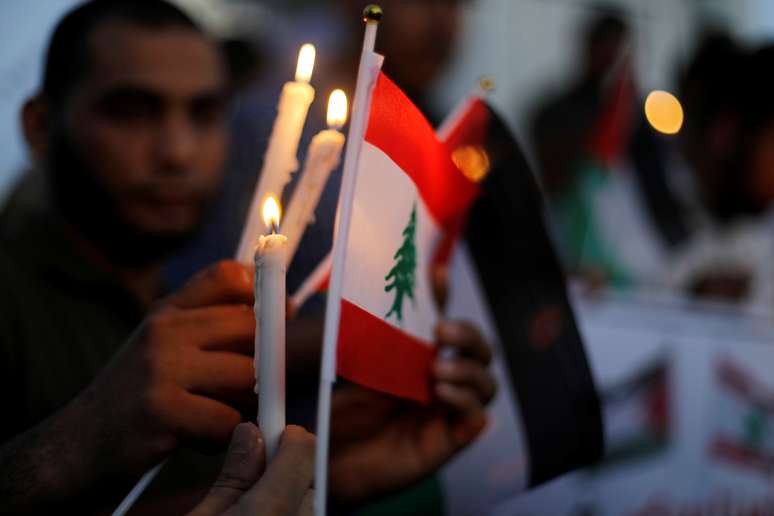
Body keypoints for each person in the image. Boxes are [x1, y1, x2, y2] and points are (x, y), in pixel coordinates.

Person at [0, 1, 495, 513]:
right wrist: (77, 439)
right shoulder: (13, 298)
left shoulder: (177, 307)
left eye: (205, 113)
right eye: (131, 112)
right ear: (40, 125)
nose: (178, 151)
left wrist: (336, 473)